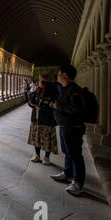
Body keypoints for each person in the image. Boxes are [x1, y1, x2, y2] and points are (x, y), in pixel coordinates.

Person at [50, 65, 86, 196]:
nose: (57, 76)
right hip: (65, 125)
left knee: (75, 154)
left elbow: (76, 108)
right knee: (67, 151)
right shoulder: (66, 89)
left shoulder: (74, 90)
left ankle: (78, 182)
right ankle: (67, 173)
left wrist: (57, 105)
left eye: (59, 73)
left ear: (65, 75)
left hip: (72, 127)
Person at [28, 74, 58, 165]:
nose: (38, 82)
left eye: (40, 80)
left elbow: (54, 105)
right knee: (37, 138)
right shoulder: (38, 90)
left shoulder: (54, 92)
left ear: (45, 82)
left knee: (47, 139)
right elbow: (30, 101)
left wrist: (43, 107)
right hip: (36, 119)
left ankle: (46, 157)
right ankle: (37, 155)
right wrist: (34, 105)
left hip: (47, 120)